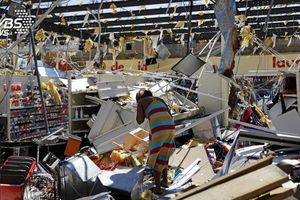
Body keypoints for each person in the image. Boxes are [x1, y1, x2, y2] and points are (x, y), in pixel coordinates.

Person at [136, 89, 175, 194]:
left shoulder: (141, 102)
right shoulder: (160, 99)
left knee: (156, 156)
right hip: (171, 126)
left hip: (159, 129)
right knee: (164, 153)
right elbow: (170, 115)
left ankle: (157, 188)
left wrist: (142, 109)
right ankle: (165, 181)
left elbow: (139, 120)